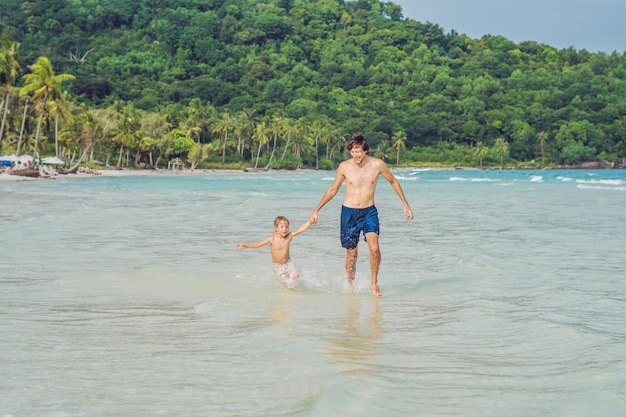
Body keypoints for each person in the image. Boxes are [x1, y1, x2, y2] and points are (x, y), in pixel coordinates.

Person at [309, 132, 413, 296]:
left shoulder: (377, 165)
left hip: (369, 212)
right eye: (352, 152)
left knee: (374, 248)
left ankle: (374, 283)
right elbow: (332, 190)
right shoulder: (344, 166)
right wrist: (316, 209)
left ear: (365, 150)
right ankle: (350, 284)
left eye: (358, 151)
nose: (355, 155)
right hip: (348, 213)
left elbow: (393, 181)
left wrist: (405, 205)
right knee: (352, 256)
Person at [236, 216, 312, 289]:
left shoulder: (289, 237)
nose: (284, 229)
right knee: (287, 284)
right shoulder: (271, 239)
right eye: (282, 227)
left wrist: (310, 222)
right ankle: (291, 295)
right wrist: (246, 245)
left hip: (288, 263)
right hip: (278, 266)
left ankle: (296, 288)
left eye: (286, 227)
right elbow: (258, 244)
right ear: (275, 228)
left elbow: (300, 229)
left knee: (296, 275)